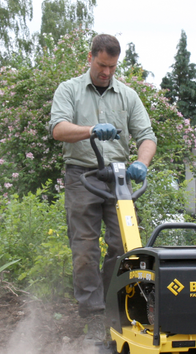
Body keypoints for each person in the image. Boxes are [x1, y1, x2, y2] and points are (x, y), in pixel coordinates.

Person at [49, 34, 157, 321]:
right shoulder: (69, 89)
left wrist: (141, 163)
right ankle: (93, 314)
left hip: (118, 177)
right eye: (102, 65)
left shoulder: (128, 95)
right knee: (85, 246)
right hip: (82, 174)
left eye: (112, 67)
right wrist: (91, 130)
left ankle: (115, 307)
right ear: (90, 57)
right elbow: (59, 129)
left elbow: (147, 136)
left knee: (124, 244)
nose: (106, 72)